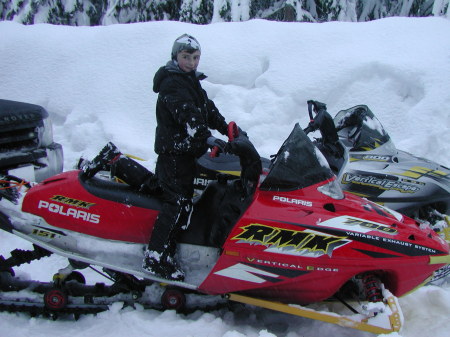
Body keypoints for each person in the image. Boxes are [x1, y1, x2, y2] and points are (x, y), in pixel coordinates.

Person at [142, 33, 231, 281]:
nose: (191, 62)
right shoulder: (172, 83)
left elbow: (206, 108)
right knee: (177, 202)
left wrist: (228, 129)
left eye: (195, 57)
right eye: (186, 57)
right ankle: (155, 256)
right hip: (173, 154)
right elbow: (188, 114)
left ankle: (170, 251)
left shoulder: (190, 80)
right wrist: (206, 137)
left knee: (186, 203)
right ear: (175, 57)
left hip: (186, 153)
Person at [303, 100, 344, 171]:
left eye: (315, 110)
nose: (315, 112)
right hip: (328, 143)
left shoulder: (322, 113)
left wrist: (306, 131)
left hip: (331, 147)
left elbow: (315, 123)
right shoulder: (324, 114)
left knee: (311, 155)